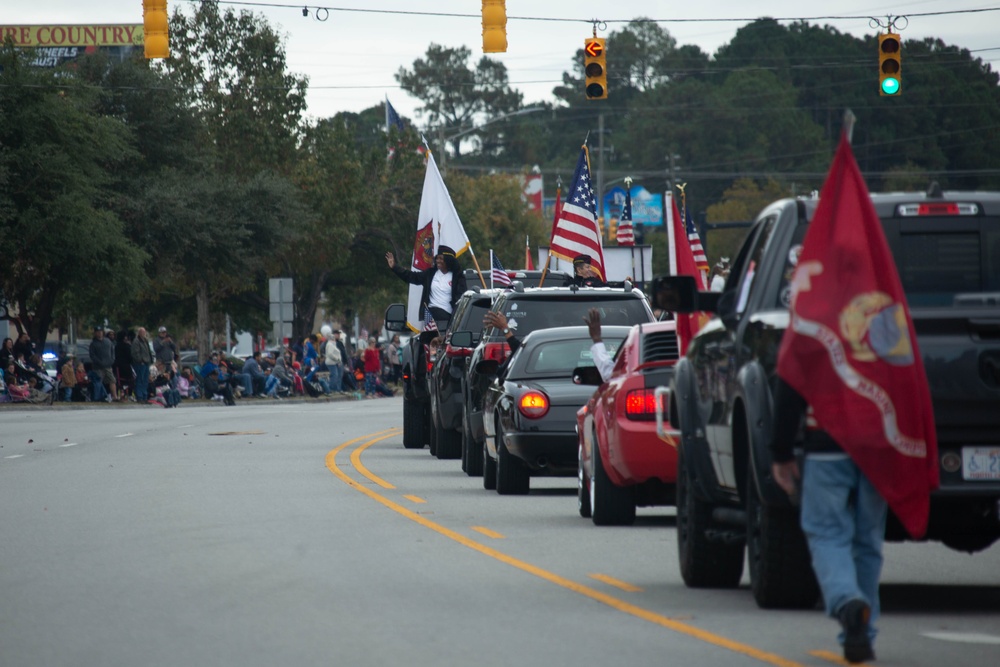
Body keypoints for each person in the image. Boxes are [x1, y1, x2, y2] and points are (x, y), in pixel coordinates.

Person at [770, 377, 886, 664]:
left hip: (826, 443)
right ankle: (861, 634)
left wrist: (781, 452)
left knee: (826, 532)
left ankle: (847, 603)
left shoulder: (811, 329)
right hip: (879, 443)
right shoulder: (892, 329)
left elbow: (790, 378)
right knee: (868, 539)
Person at [385, 245, 467, 334]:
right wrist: (394, 267)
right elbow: (412, 277)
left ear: (448, 260)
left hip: (447, 319)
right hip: (430, 316)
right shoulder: (430, 274)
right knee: (427, 344)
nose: (438, 261)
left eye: (441, 259)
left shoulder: (458, 277)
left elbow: (461, 300)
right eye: (437, 258)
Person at [89, 326, 116, 402]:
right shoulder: (93, 344)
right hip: (98, 367)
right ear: (95, 333)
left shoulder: (108, 341)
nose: (100, 333)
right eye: (98, 332)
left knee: (112, 380)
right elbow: (92, 356)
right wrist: (99, 362)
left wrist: (112, 360)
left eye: (101, 331)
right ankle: (98, 397)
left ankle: (115, 397)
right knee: (99, 382)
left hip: (108, 366)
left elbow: (112, 351)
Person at [131, 327, 154, 402]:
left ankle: (145, 395)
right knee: (139, 380)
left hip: (146, 363)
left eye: (144, 332)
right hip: (140, 364)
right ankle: (139, 396)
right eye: (142, 332)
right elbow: (135, 353)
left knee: (145, 380)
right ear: (139, 333)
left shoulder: (145, 341)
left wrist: (150, 360)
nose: (143, 334)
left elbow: (149, 351)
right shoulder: (136, 341)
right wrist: (140, 360)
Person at [114, 329, 134, 400]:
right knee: (129, 380)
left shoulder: (116, 346)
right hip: (126, 365)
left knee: (120, 381)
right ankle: (128, 393)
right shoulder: (126, 346)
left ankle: (122, 392)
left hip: (118, 366)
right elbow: (129, 356)